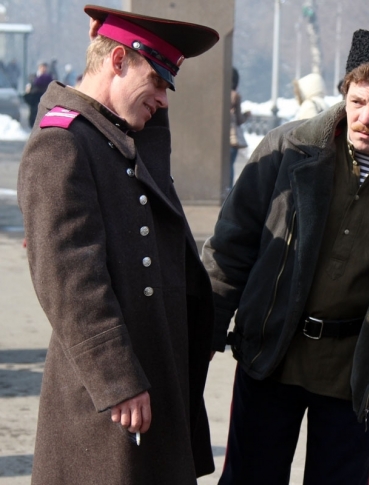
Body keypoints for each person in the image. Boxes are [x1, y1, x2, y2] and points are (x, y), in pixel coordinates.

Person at [202, 29, 369, 484]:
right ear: (344, 95)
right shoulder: (288, 151)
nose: (366, 117)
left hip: (356, 372)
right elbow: (232, 245)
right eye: (358, 101)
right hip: (271, 352)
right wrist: (204, 330)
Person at [17, 6, 219, 484]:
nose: (163, 99)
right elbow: (70, 283)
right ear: (118, 61)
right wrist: (118, 381)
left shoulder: (118, 140)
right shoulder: (62, 145)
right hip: (109, 395)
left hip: (153, 372)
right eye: (157, 81)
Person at [229, 67, 250, 188]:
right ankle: (228, 190)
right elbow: (239, 120)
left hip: (220, 137)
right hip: (232, 138)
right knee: (230, 165)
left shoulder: (220, 94)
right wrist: (247, 115)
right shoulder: (235, 96)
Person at [23, 62, 53, 127]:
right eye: (42, 67)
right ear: (39, 67)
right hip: (34, 98)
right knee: (34, 113)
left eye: (45, 67)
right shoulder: (33, 76)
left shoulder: (48, 77)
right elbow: (30, 85)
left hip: (44, 97)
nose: (43, 69)